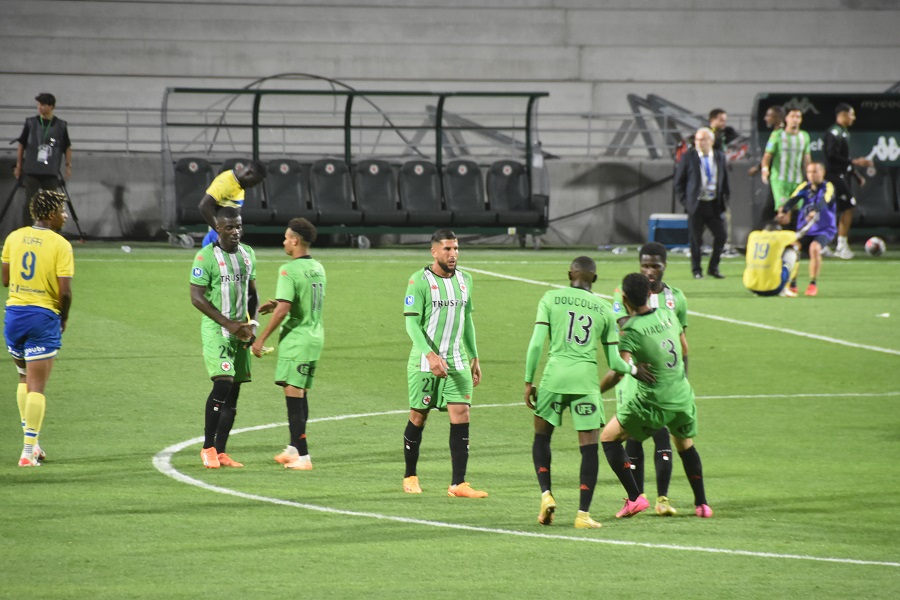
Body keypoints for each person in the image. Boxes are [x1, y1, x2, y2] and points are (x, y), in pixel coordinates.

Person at [524, 256, 654, 529]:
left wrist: (528, 381)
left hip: (554, 378)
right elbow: (615, 362)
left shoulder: (550, 298)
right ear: (594, 278)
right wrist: (634, 369)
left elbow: (536, 344)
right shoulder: (605, 309)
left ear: (569, 274)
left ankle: (546, 494)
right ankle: (583, 514)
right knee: (589, 449)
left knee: (542, 438)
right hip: (585, 383)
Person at [600, 273, 712, 519]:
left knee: (608, 438)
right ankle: (702, 505)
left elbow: (618, 371)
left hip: (653, 402)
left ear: (625, 299)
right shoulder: (668, 315)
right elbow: (684, 349)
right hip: (682, 396)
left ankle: (635, 498)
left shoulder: (630, 330)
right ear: (650, 294)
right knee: (684, 445)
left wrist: (596, 392)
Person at [402, 229, 486, 498]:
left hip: (457, 359)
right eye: (448, 249)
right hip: (425, 362)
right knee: (418, 416)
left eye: (456, 248)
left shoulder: (465, 279)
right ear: (434, 252)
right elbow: (411, 324)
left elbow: (467, 319)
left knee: (462, 414)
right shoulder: (419, 281)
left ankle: (458, 483)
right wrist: (429, 355)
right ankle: (410, 476)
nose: (453, 254)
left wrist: (474, 356)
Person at [611, 242, 687, 516]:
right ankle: (637, 495)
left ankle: (662, 498)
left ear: (665, 266)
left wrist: (682, 379)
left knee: (662, 435)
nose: (649, 271)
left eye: (655, 265)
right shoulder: (623, 292)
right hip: (634, 377)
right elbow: (625, 327)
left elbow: (681, 342)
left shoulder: (676, 298)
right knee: (634, 437)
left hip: (664, 378)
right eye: (644, 265)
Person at [2, 191, 73, 467]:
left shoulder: (13, 237)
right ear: (51, 214)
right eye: (62, 211)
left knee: (23, 378)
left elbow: (5, 279)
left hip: (14, 315)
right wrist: (63, 318)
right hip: (42, 316)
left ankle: (32, 444)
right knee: (37, 388)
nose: (65, 216)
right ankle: (28, 451)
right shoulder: (60, 244)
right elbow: (64, 292)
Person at [251, 218, 325, 471]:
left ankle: (303, 457)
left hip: (297, 340)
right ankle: (294, 447)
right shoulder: (317, 267)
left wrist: (261, 339)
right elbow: (301, 298)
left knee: (293, 398)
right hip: (314, 336)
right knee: (300, 393)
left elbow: (284, 310)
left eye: (286, 238)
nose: (283, 242)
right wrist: (278, 302)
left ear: (295, 240)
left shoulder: (288, 270)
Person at [189, 206, 259, 468]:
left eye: (238, 226)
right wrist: (229, 324)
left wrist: (252, 325)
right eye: (229, 227)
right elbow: (196, 297)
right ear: (218, 228)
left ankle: (221, 451)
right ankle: (208, 447)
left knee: (234, 391)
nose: (235, 231)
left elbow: (252, 294)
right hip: (217, 329)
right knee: (223, 382)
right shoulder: (205, 257)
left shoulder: (248, 254)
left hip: (240, 330)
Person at [675, 127, 730, 279]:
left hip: (714, 204)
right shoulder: (688, 157)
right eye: (697, 139)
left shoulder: (719, 156)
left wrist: (725, 200)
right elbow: (679, 182)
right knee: (695, 239)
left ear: (711, 141)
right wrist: (686, 202)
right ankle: (696, 270)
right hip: (696, 205)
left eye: (703, 139)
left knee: (722, 235)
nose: (699, 142)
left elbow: (724, 180)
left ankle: (713, 267)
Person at [777, 162, 836, 297]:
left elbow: (825, 200)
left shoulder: (828, 187)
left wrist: (815, 210)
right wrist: (784, 211)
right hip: (805, 229)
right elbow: (793, 199)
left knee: (814, 248)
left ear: (822, 173)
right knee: (792, 249)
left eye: (815, 171)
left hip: (824, 229)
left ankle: (812, 284)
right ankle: (792, 284)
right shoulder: (804, 186)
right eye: (809, 172)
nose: (812, 175)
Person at [13, 93, 72, 227]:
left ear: (51, 107)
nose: (40, 107)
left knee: (51, 204)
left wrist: (68, 166)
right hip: (32, 170)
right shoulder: (31, 123)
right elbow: (21, 144)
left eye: (43, 105)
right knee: (29, 203)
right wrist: (18, 166)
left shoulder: (61, 125)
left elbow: (67, 147)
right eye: (38, 104)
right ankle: (27, 230)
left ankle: (51, 231)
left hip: (50, 171)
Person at [824, 103, 873, 259]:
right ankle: (840, 245)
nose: (854, 118)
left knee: (837, 209)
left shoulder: (843, 132)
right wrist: (855, 162)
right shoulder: (834, 132)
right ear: (843, 115)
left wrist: (855, 174)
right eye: (851, 114)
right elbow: (831, 156)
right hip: (832, 176)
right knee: (848, 207)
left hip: (841, 175)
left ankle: (827, 244)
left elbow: (844, 159)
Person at [760, 107, 811, 226]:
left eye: (798, 117)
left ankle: (790, 235)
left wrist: (810, 176)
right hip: (780, 181)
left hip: (797, 181)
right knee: (783, 211)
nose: (795, 119)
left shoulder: (804, 136)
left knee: (796, 212)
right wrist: (764, 169)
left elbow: (807, 159)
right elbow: (767, 156)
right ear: (786, 118)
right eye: (792, 116)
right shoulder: (777, 135)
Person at [198, 161, 267, 247]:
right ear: (248, 173)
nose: (253, 186)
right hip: (217, 239)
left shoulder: (240, 185)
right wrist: (220, 232)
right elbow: (204, 206)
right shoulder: (225, 181)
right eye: (254, 182)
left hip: (227, 239)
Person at [742, 218, 815, 297]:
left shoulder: (753, 235)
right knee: (793, 250)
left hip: (751, 287)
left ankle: (759, 286)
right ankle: (787, 287)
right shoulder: (778, 236)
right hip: (774, 288)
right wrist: (812, 221)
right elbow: (801, 233)